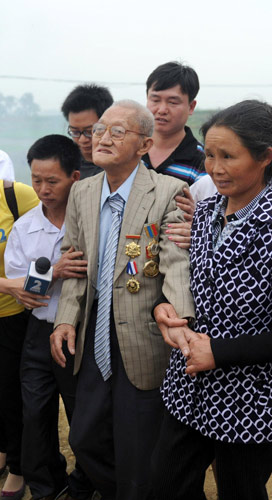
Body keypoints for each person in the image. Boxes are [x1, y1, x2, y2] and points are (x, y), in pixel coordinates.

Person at [151, 100, 272, 500]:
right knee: (166, 486)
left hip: (249, 402)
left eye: (228, 156)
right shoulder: (207, 212)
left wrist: (219, 352)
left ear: (265, 157)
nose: (215, 167)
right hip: (188, 388)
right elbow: (185, 280)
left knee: (240, 490)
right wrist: (164, 307)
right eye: (209, 155)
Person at [50, 100, 195, 500]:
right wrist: (65, 320)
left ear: (144, 144)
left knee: (138, 446)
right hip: (93, 334)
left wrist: (179, 318)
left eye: (117, 131)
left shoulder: (168, 192)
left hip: (144, 336)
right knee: (84, 437)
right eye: (99, 130)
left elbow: (175, 262)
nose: (102, 138)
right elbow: (75, 264)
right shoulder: (82, 192)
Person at [5, 135, 91, 500]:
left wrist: (39, 278)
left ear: (74, 176)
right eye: (36, 180)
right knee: (35, 413)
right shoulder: (25, 228)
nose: (42, 189)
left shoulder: (92, 222)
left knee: (83, 417)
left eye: (52, 181)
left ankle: (86, 484)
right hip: (39, 333)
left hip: (82, 333)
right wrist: (53, 272)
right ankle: (46, 487)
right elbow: (22, 288)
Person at [0, 178, 39, 500]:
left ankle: (17, 466)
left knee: (11, 394)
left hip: (11, 316)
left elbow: (45, 245)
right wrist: (5, 283)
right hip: (6, 296)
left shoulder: (16, 195)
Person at [143, 61, 205, 186]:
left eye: (172, 102)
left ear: (191, 107)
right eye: (155, 100)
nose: (161, 110)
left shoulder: (203, 161)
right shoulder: (129, 148)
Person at [61, 83, 114, 179]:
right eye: (75, 132)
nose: (82, 140)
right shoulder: (64, 166)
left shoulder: (121, 166)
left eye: (89, 131)